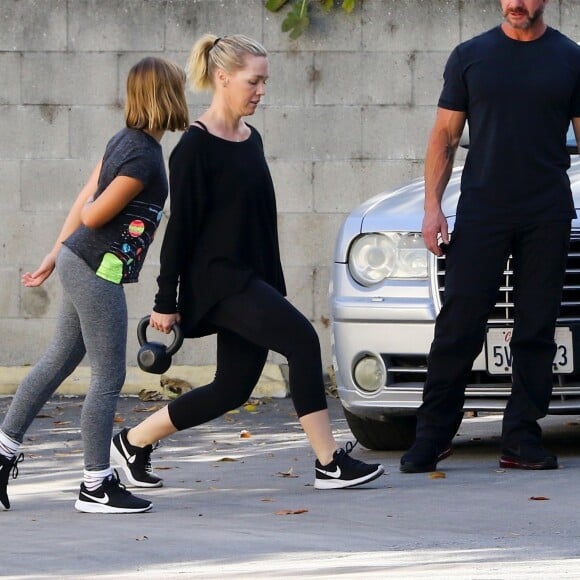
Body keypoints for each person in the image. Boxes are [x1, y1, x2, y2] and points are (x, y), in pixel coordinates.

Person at [111, 34, 384, 493]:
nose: (260, 91)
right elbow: (180, 230)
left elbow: (257, 221)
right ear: (222, 78)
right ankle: (328, 462)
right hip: (219, 282)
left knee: (233, 388)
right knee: (301, 341)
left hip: (251, 279)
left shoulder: (249, 138)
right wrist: (165, 301)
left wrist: (271, 286)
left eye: (264, 82)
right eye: (253, 81)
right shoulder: (193, 149)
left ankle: (133, 442)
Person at [0, 57, 189, 513]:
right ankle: (95, 484)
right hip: (94, 270)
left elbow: (86, 196)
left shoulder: (126, 141)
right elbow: (93, 212)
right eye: (180, 87)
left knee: (59, 360)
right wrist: (67, 244)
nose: (185, 93)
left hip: (78, 260)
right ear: (165, 95)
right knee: (108, 376)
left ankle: (1, 453)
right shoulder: (142, 155)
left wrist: (53, 254)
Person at [400, 0, 580, 474]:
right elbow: (444, 135)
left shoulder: (570, 58)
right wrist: (432, 207)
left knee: (536, 327)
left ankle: (521, 437)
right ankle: (433, 435)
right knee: (459, 323)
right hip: (482, 209)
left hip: (547, 212)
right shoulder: (470, 55)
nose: (515, 3)